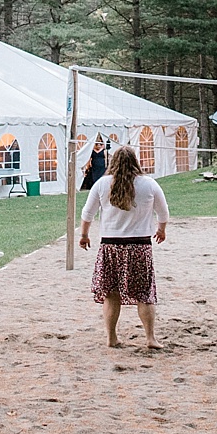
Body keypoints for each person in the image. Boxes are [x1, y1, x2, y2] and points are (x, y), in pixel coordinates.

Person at [78, 145, 170, 349]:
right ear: (135, 161)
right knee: (144, 294)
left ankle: (111, 338)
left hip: (111, 246)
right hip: (139, 246)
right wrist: (161, 230)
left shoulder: (102, 184)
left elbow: (87, 214)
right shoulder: (149, 184)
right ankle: (150, 338)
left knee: (111, 294)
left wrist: (84, 236)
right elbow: (163, 214)